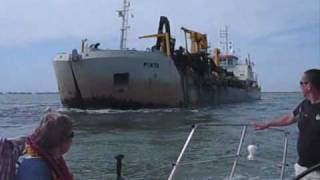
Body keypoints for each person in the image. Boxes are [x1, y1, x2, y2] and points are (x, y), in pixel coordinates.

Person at [253, 69, 320, 179]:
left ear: (309, 86)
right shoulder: (304, 105)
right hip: (302, 168)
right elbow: (289, 118)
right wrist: (268, 124)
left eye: (301, 83)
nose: (300, 86)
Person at [16, 112, 74, 180]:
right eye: (71, 135)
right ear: (61, 139)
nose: (72, 139)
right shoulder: (38, 168)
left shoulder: (48, 161)